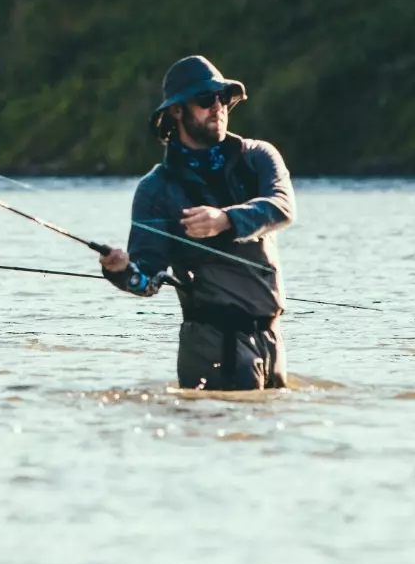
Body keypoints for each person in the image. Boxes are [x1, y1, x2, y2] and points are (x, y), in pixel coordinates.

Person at [99, 56, 296, 391]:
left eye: (223, 97)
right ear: (176, 111)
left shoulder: (259, 157)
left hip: (271, 337)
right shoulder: (155, 189)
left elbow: (282, 208)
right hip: (211, 343)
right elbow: (147, 279)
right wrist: (121, 271)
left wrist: (226, 220)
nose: (217, 106)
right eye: (205, 100)